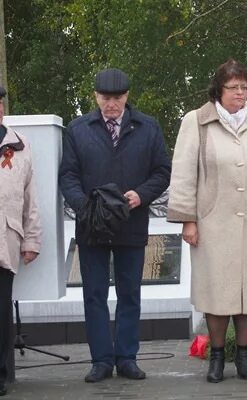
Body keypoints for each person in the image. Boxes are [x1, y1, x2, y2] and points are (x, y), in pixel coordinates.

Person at [167, 59, 247, 384]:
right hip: (212, 223)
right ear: (218, 90)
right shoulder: (196, 122)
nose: (240, 93)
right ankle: (217, 356)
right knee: (216, 292)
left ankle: (245, 355)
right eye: (233, 88)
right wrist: (187, 220)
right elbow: (182, 172)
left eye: (244, 88)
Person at [59, 69, 171, 383]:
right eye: (105, 98)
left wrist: (142, 194)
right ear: (95, 96)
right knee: (94, 294)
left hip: (131, 222)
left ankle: (126, 358)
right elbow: (67, 175)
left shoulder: (148, 127)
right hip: (92, 226)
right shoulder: (78, 129)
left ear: (127, 96)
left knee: (130, 293)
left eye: (118, 97)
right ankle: (101, 361)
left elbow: (162, 171)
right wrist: (85, 206)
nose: (112, 104)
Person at [0, 86, 42, 397]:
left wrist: (31, 239)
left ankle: (1, 374)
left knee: (1, 310)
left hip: (6, 238)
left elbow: (31, 197)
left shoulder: (20, 144)